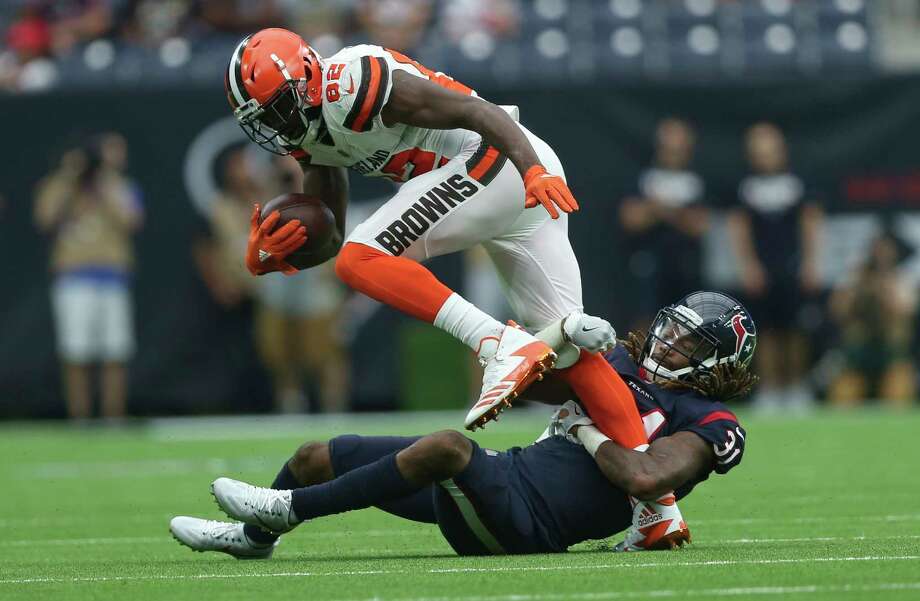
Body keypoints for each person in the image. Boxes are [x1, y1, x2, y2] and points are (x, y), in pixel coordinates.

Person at [224, 28, 684, 546]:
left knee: (363, 258)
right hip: (501, 176)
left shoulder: (352, 83)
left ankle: (497, 343)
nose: (276, 124)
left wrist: (530, 170)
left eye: (278, 106)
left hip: (498, 159)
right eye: (263, 117)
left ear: (307, 78)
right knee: (576, 357)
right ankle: (658, 510)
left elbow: (480, 113)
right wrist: (278, 255)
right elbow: (329, 230)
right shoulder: (309, 129)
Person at [170, 291, 755, 557]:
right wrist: (561, 343)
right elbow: (528, 384)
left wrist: (582, 428)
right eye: (671, 328)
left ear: (721, 362)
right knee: (313, 457)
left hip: (532, 526)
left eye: (688, 341)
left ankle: (290, 511)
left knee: (449, 446)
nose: (668, 341)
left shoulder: (709, 421)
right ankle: (253, 539)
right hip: (507, 479)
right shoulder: (624, 364)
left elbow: (647, 477)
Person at [34, 136, 144, 420]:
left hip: (112, 275)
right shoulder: (58, 186)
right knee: (76, 353)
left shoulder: (119, 186)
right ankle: (79, 418)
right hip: (73, 276)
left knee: (115, 352)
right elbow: (45, 219)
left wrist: (104, 182)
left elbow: (132, 220)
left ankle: (113, 418)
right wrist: (69, 177)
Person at [727, 123, 822, 411]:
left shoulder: (798, 182)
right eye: (758, 151)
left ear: (781, 151)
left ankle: (795, 387)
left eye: (770, 150)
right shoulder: (744, 185)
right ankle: (769, 388)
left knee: (795, 329)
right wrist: (748, 265)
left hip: (792, 265)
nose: (765, 156)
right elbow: (739, 227)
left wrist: (810, 262)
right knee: (764, 330)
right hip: (762, 269)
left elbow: (810, 221)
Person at [619, 118, 709, 328]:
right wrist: (678, 213)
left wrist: (657, 208)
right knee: (645, 319)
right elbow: (631, 219)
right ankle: (640, 362)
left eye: (679, 146)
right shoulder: (641, 177)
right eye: (668, 145)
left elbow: (700, 226)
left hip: (686, 265)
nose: (673, 151)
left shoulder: (699, 180)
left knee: (687, 324)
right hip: (648, 262)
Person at [827, 230, 917, 407]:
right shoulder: (855, 277)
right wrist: (860, 286)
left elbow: (905, 310)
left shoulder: (903, 278)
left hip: (891, 354)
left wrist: (883, 286)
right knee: (843, 398)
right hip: (858, 353)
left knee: (898, 396)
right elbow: (837, 311)